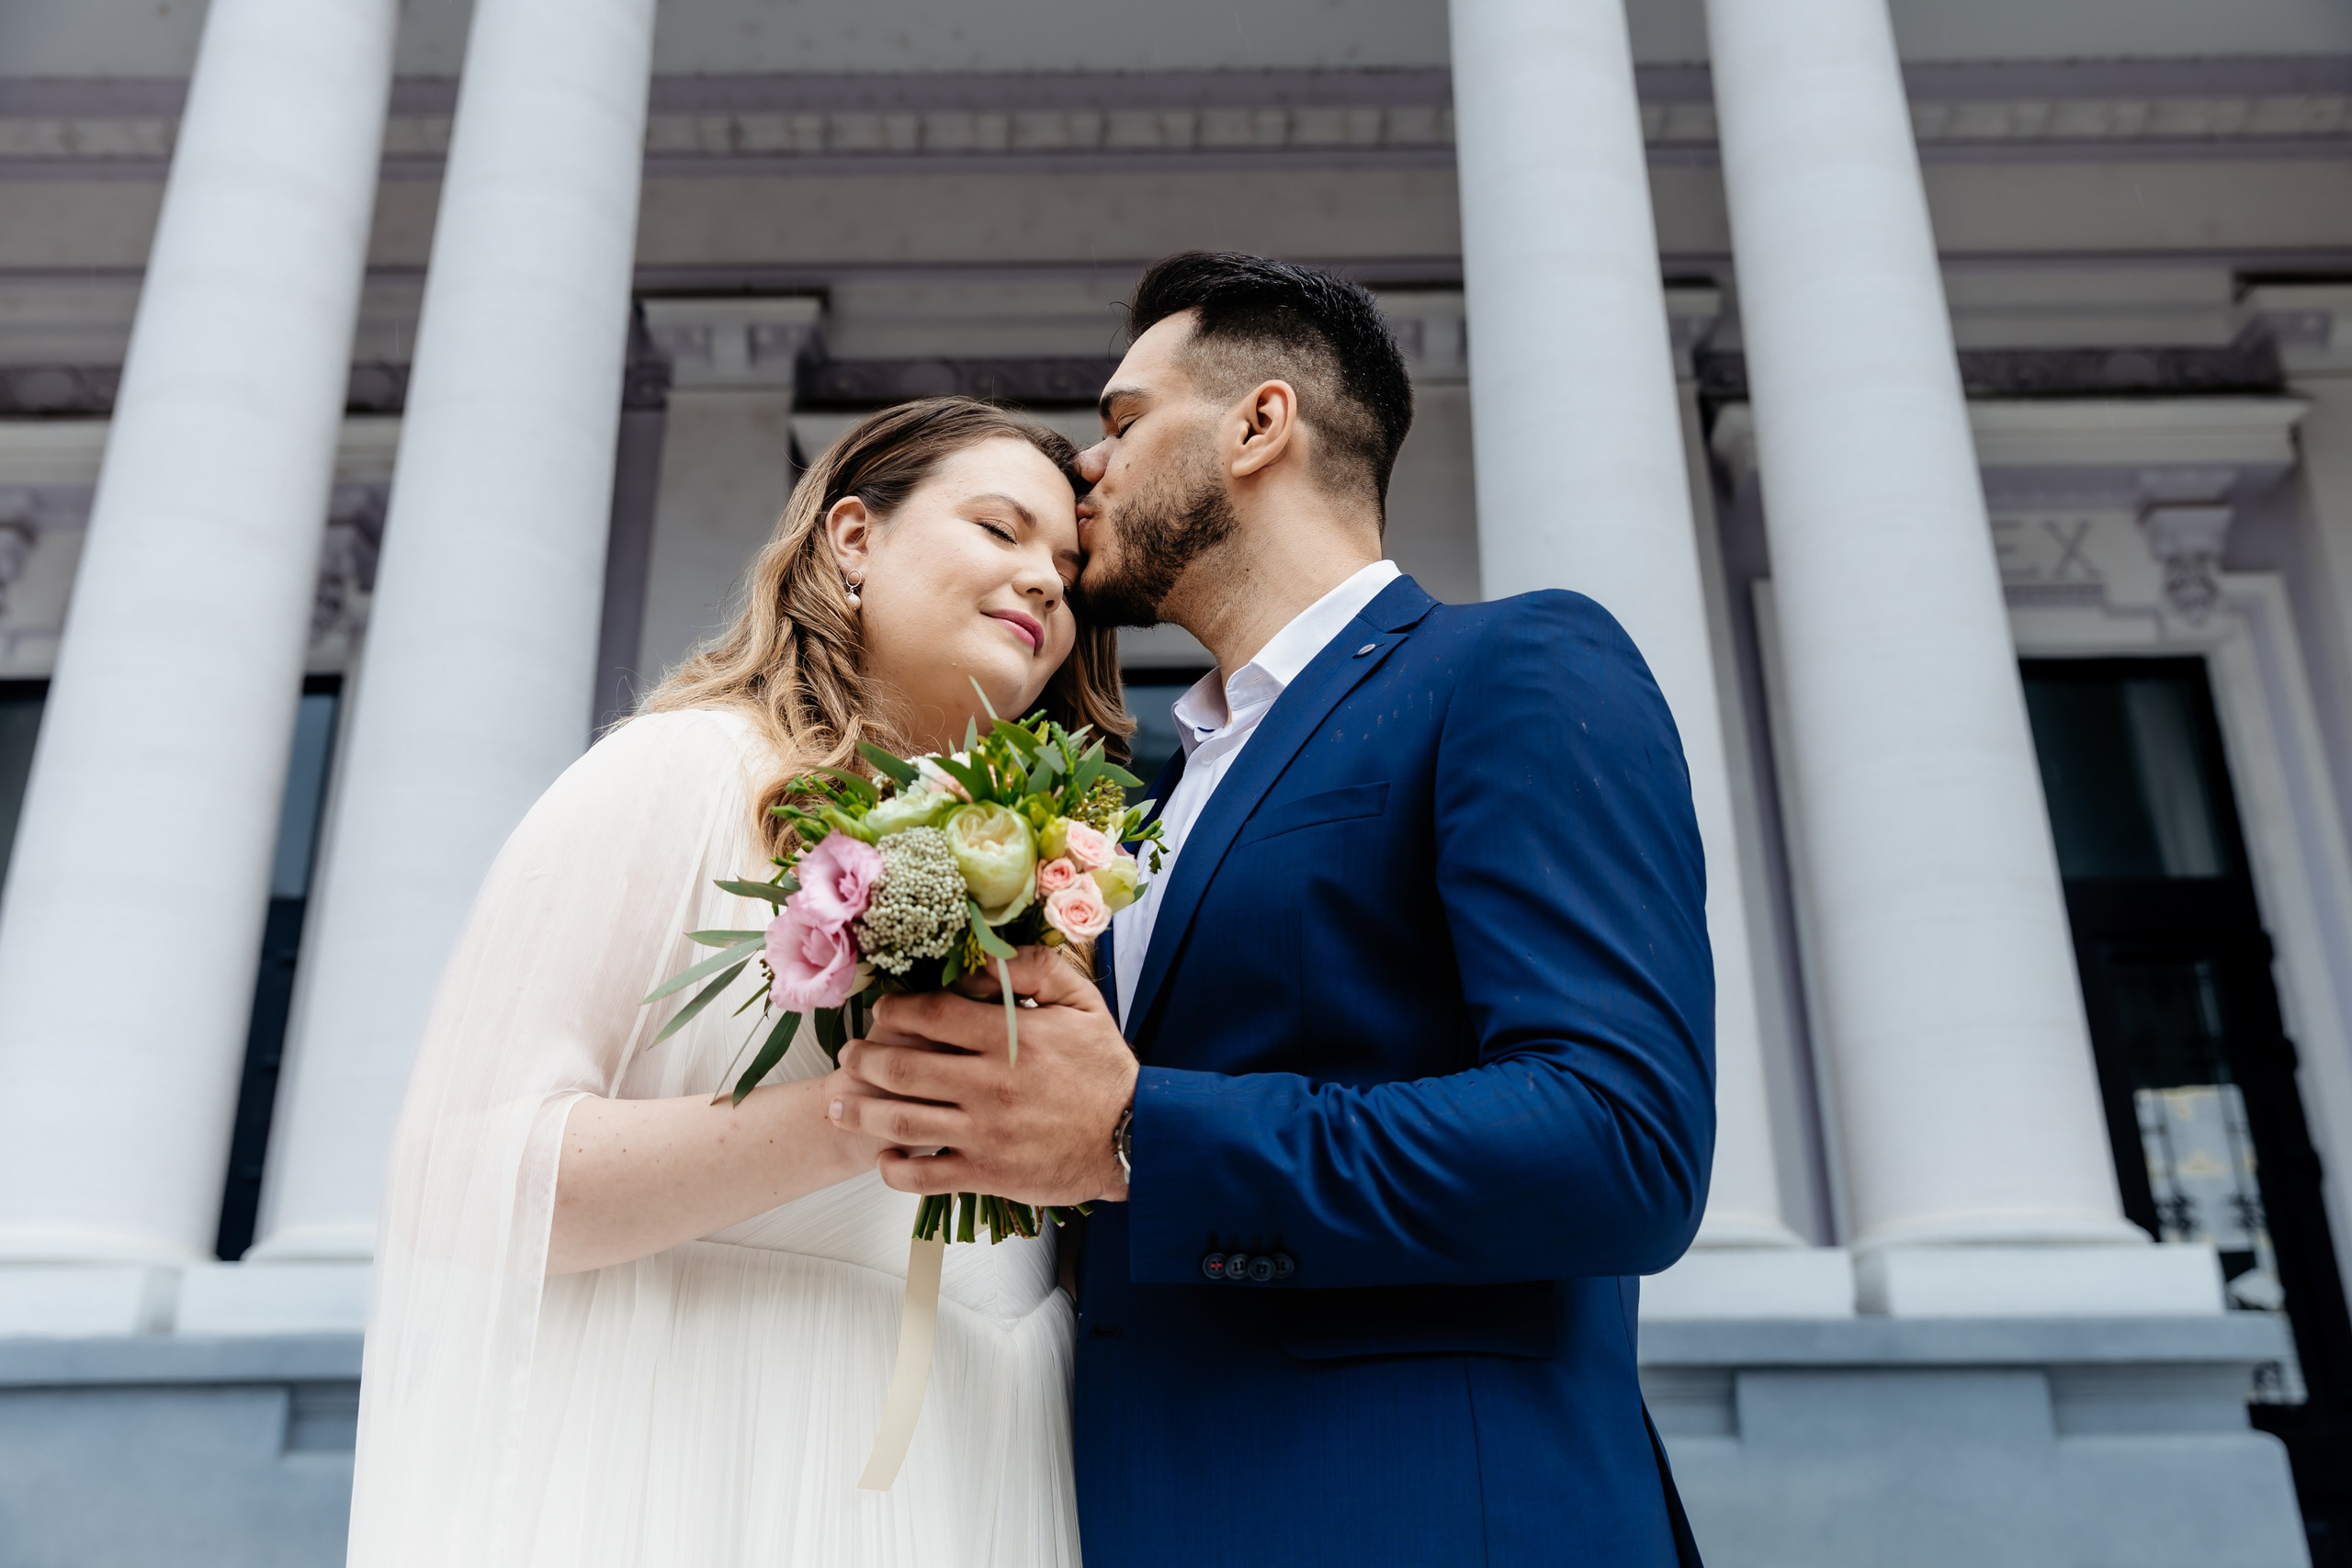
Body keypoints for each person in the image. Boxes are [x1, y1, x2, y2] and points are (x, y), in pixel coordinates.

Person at [831, 254, 1716, 1565]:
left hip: (1434, 1518)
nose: (1087, 467)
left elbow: (1619, 1138)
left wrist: (1136, 1128)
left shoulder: (1513, 665)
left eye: (1125, 421)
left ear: (1260, 424)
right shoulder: (1138, 802)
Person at [345, 398, 1126, 1567]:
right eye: (999, 530)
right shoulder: (680, 773)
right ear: (853, 538)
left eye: (1068, 566)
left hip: (971, 1464)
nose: (1046, 582)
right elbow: (460, 1176)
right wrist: (865, 1115)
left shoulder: (1058, 880)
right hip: (696, 1452)